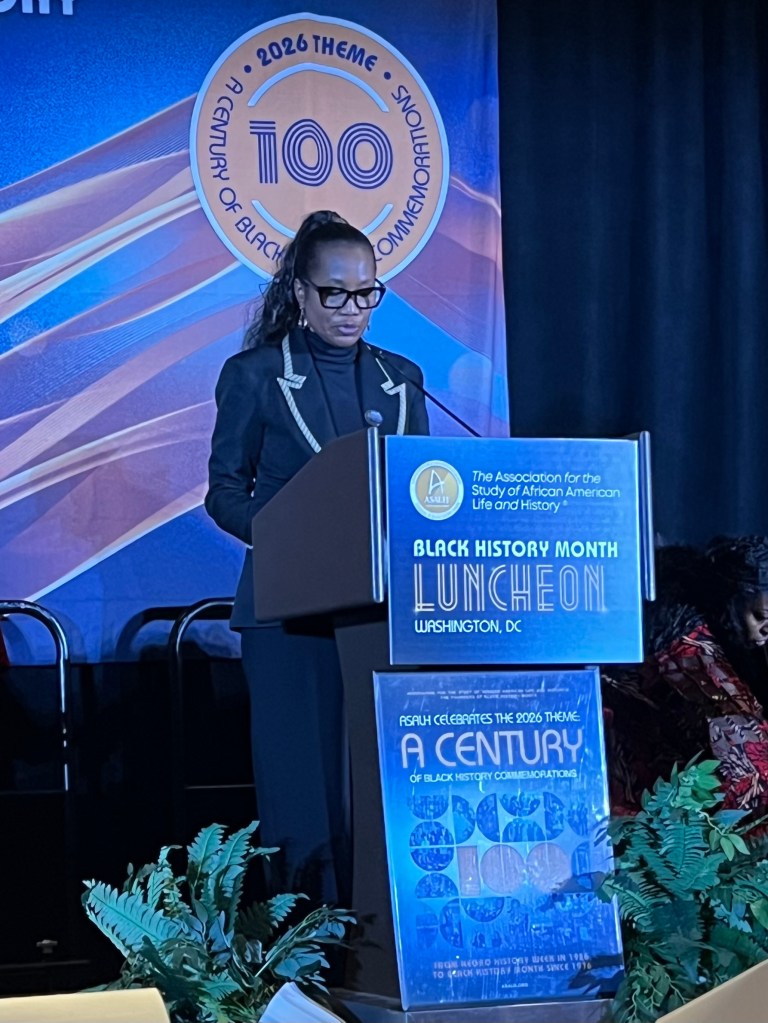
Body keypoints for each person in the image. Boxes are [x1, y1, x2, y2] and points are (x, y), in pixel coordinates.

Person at [205, 210, 429, 905]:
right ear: (300, 291)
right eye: (335, 292)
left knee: (377, 787)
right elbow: (224, 492)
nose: (352, 308)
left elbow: (421, 493)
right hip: (288, 616)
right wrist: (293, 538)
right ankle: (309, 943)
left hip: (379, 616)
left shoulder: (402, 378)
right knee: (303, 792)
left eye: (366, 292)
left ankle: (380, 938)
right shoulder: (256, 374)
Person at [603, 535, 768, 819]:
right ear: (732, 598)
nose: (766, 630)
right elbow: (751, 765)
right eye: (760, 615)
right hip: (646, 796)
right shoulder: (689, 645)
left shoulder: (726, 635)